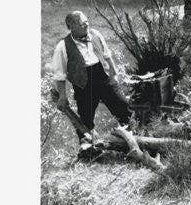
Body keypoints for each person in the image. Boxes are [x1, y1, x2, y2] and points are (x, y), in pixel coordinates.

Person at [51, 10, 131, 151]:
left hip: (103, 77)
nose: (86, 25)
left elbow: (106, 54)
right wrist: (62, 95)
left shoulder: (95, 34)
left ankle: (132, 140)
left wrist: (114, 71)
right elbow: (60, 74)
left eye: (87, 21)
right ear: (71, 27)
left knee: (123, 107)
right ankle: (89, 150)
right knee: (85, 121)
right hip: (84, 85)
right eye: (82, 24)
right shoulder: (62, 46)